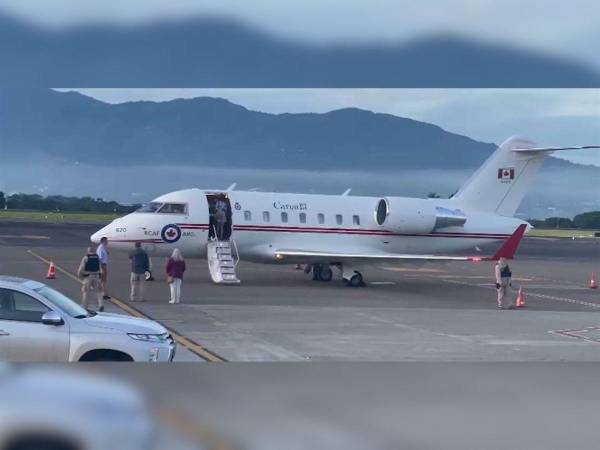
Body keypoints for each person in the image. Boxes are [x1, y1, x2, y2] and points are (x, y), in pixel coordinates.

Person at [77, 247, 104, 312]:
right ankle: (100, 305)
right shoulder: (98, 258)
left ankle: (85, 306)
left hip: (88, 276)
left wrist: (80, 276)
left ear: (88, 251)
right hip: (96, 276)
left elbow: (81, 269)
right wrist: (100, 276)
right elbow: (101, 268)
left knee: (85, 292)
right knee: (99, 291)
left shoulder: (86, 258)